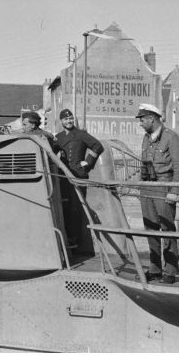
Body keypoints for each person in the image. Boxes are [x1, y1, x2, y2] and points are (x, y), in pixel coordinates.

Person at [137, 103, 179, 284]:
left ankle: (170, 271)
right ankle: (155, 269)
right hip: (146, 188)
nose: (140, 123)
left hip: (164, 187)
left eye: (142, 120)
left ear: (152, 119)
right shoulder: (146, 138)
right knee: (150, 229)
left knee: (167, 229)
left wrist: (175, 191)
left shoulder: (171, 138)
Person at [54, 108, 104, 253]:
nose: (69, 121)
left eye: (71, 119)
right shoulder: (58, 137)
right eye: (65, 119)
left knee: (76, 208)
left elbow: (98, 146)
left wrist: (87, 162)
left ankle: (76, 242)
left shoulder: (81, 134)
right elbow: (51, 150)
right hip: (63, 177)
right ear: (61, 121)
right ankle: (66, 240)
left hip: (78, 176)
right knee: (65, 207)